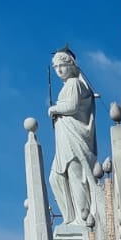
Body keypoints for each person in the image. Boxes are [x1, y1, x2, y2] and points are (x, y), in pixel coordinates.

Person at [47, 49, 98, 229]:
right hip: (64, 142)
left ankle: (82, 219)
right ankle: (70, 218)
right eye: (55, 67)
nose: (59, 70)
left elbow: (73, 106)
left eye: (62, 65)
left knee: (76, 176)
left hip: (75, 140)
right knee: (55, 178)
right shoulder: (66, 86)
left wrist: (54, 109)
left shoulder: (74, 83)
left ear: (71, 65)